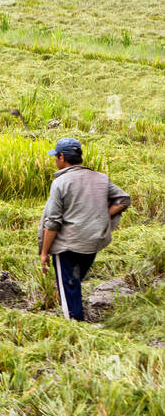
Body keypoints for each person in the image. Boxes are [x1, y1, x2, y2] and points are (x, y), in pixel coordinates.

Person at [38, 138, 131, 322]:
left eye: (56, 156)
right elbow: (123, 200)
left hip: (67, 246)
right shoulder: (101, 178)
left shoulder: (61, 182)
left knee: (68, 291)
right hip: (92, 244)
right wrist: (100, 216)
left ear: (62, 157)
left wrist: (44, 252)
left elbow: (53, 222)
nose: (55, 160)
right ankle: (79, 321)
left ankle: (75, 329)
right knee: (74, 285)